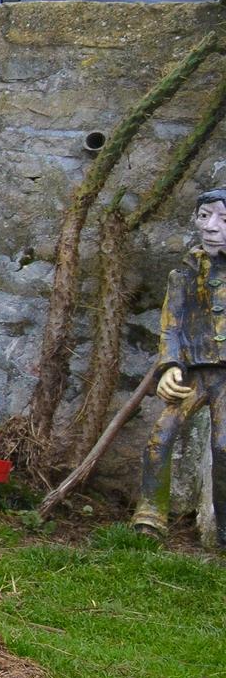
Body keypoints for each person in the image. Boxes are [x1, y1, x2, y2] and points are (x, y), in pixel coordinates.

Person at [134, 176, 226, 545]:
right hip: (192, 373)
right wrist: (169, 365)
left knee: (224, 446)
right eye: (204, 216)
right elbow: (171, 326)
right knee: (160, 436)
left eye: (222, 218)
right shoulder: (185, 274)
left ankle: (223, 533)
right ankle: (150, 517)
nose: (210, 226)